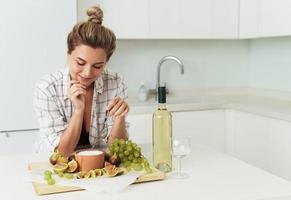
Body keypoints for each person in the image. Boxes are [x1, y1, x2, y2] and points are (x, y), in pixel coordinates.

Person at [33, 6, 129, 156]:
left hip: (96, 168)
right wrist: (79, 110)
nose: (87, 73)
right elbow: (61, 154)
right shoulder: (47, 88)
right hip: (52, 165)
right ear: (68, 54)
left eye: (98, 66)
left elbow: (118, 150)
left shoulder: (116, 83)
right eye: (80, 63)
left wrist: (120, 118)